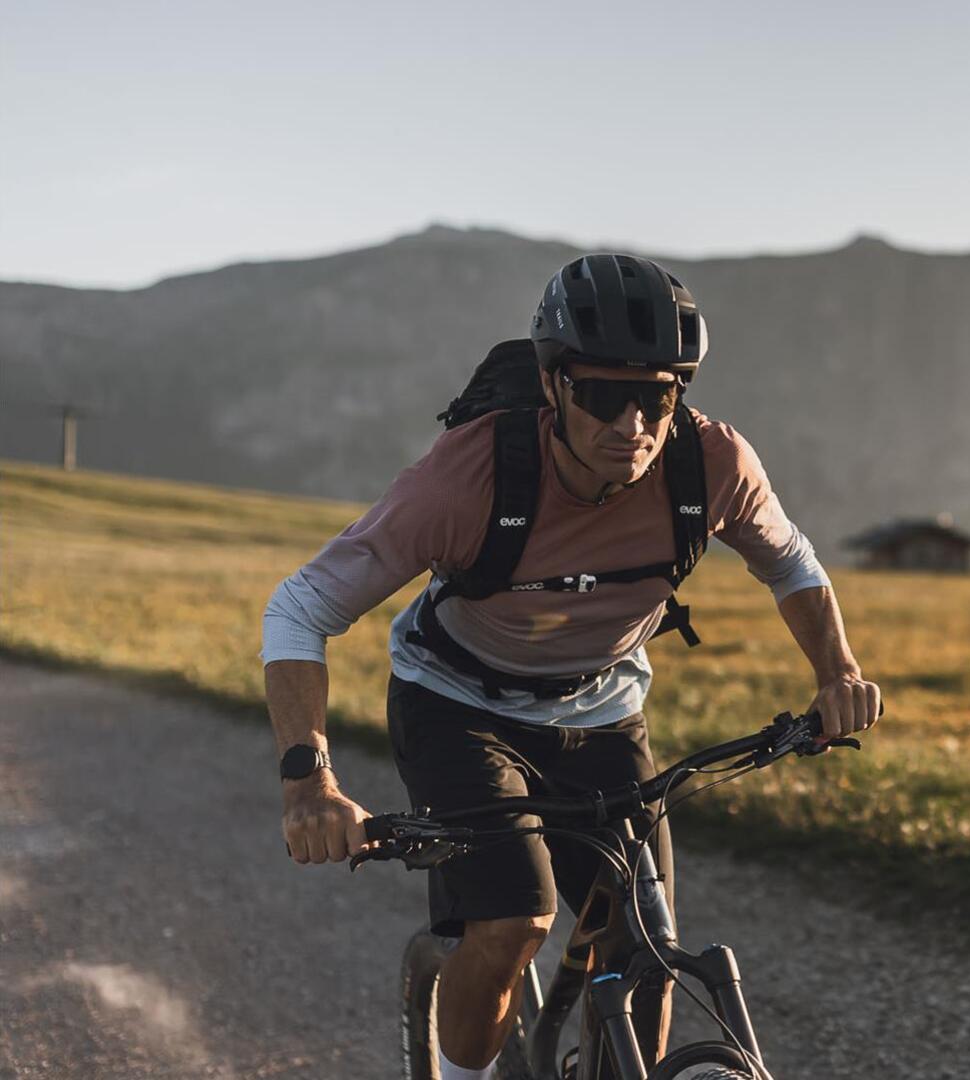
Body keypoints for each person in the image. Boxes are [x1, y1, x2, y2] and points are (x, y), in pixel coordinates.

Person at [260, 253, 882, 1080]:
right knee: (515, 919)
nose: (631, 422)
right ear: (554, 386)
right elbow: (300, 609)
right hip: (458, 703)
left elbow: (792, 563)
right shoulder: (469, 479)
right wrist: (310, 784)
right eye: (601, 393)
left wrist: (837, 672)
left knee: (648, 940)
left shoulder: (712, 466)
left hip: (601, 709)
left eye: (655, 395)